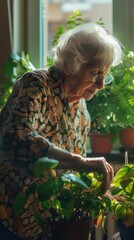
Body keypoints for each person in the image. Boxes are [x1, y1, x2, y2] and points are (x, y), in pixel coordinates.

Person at [0, 23, 123, 239]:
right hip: (10, 214)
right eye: (96, 73)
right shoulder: (36, 84)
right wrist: (81, 162)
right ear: (70, 65)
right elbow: (16, 139)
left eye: (106, 75)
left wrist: (107, 196)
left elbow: (71, 174)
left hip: (51, 223)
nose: (102, 84)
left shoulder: (82, 110)